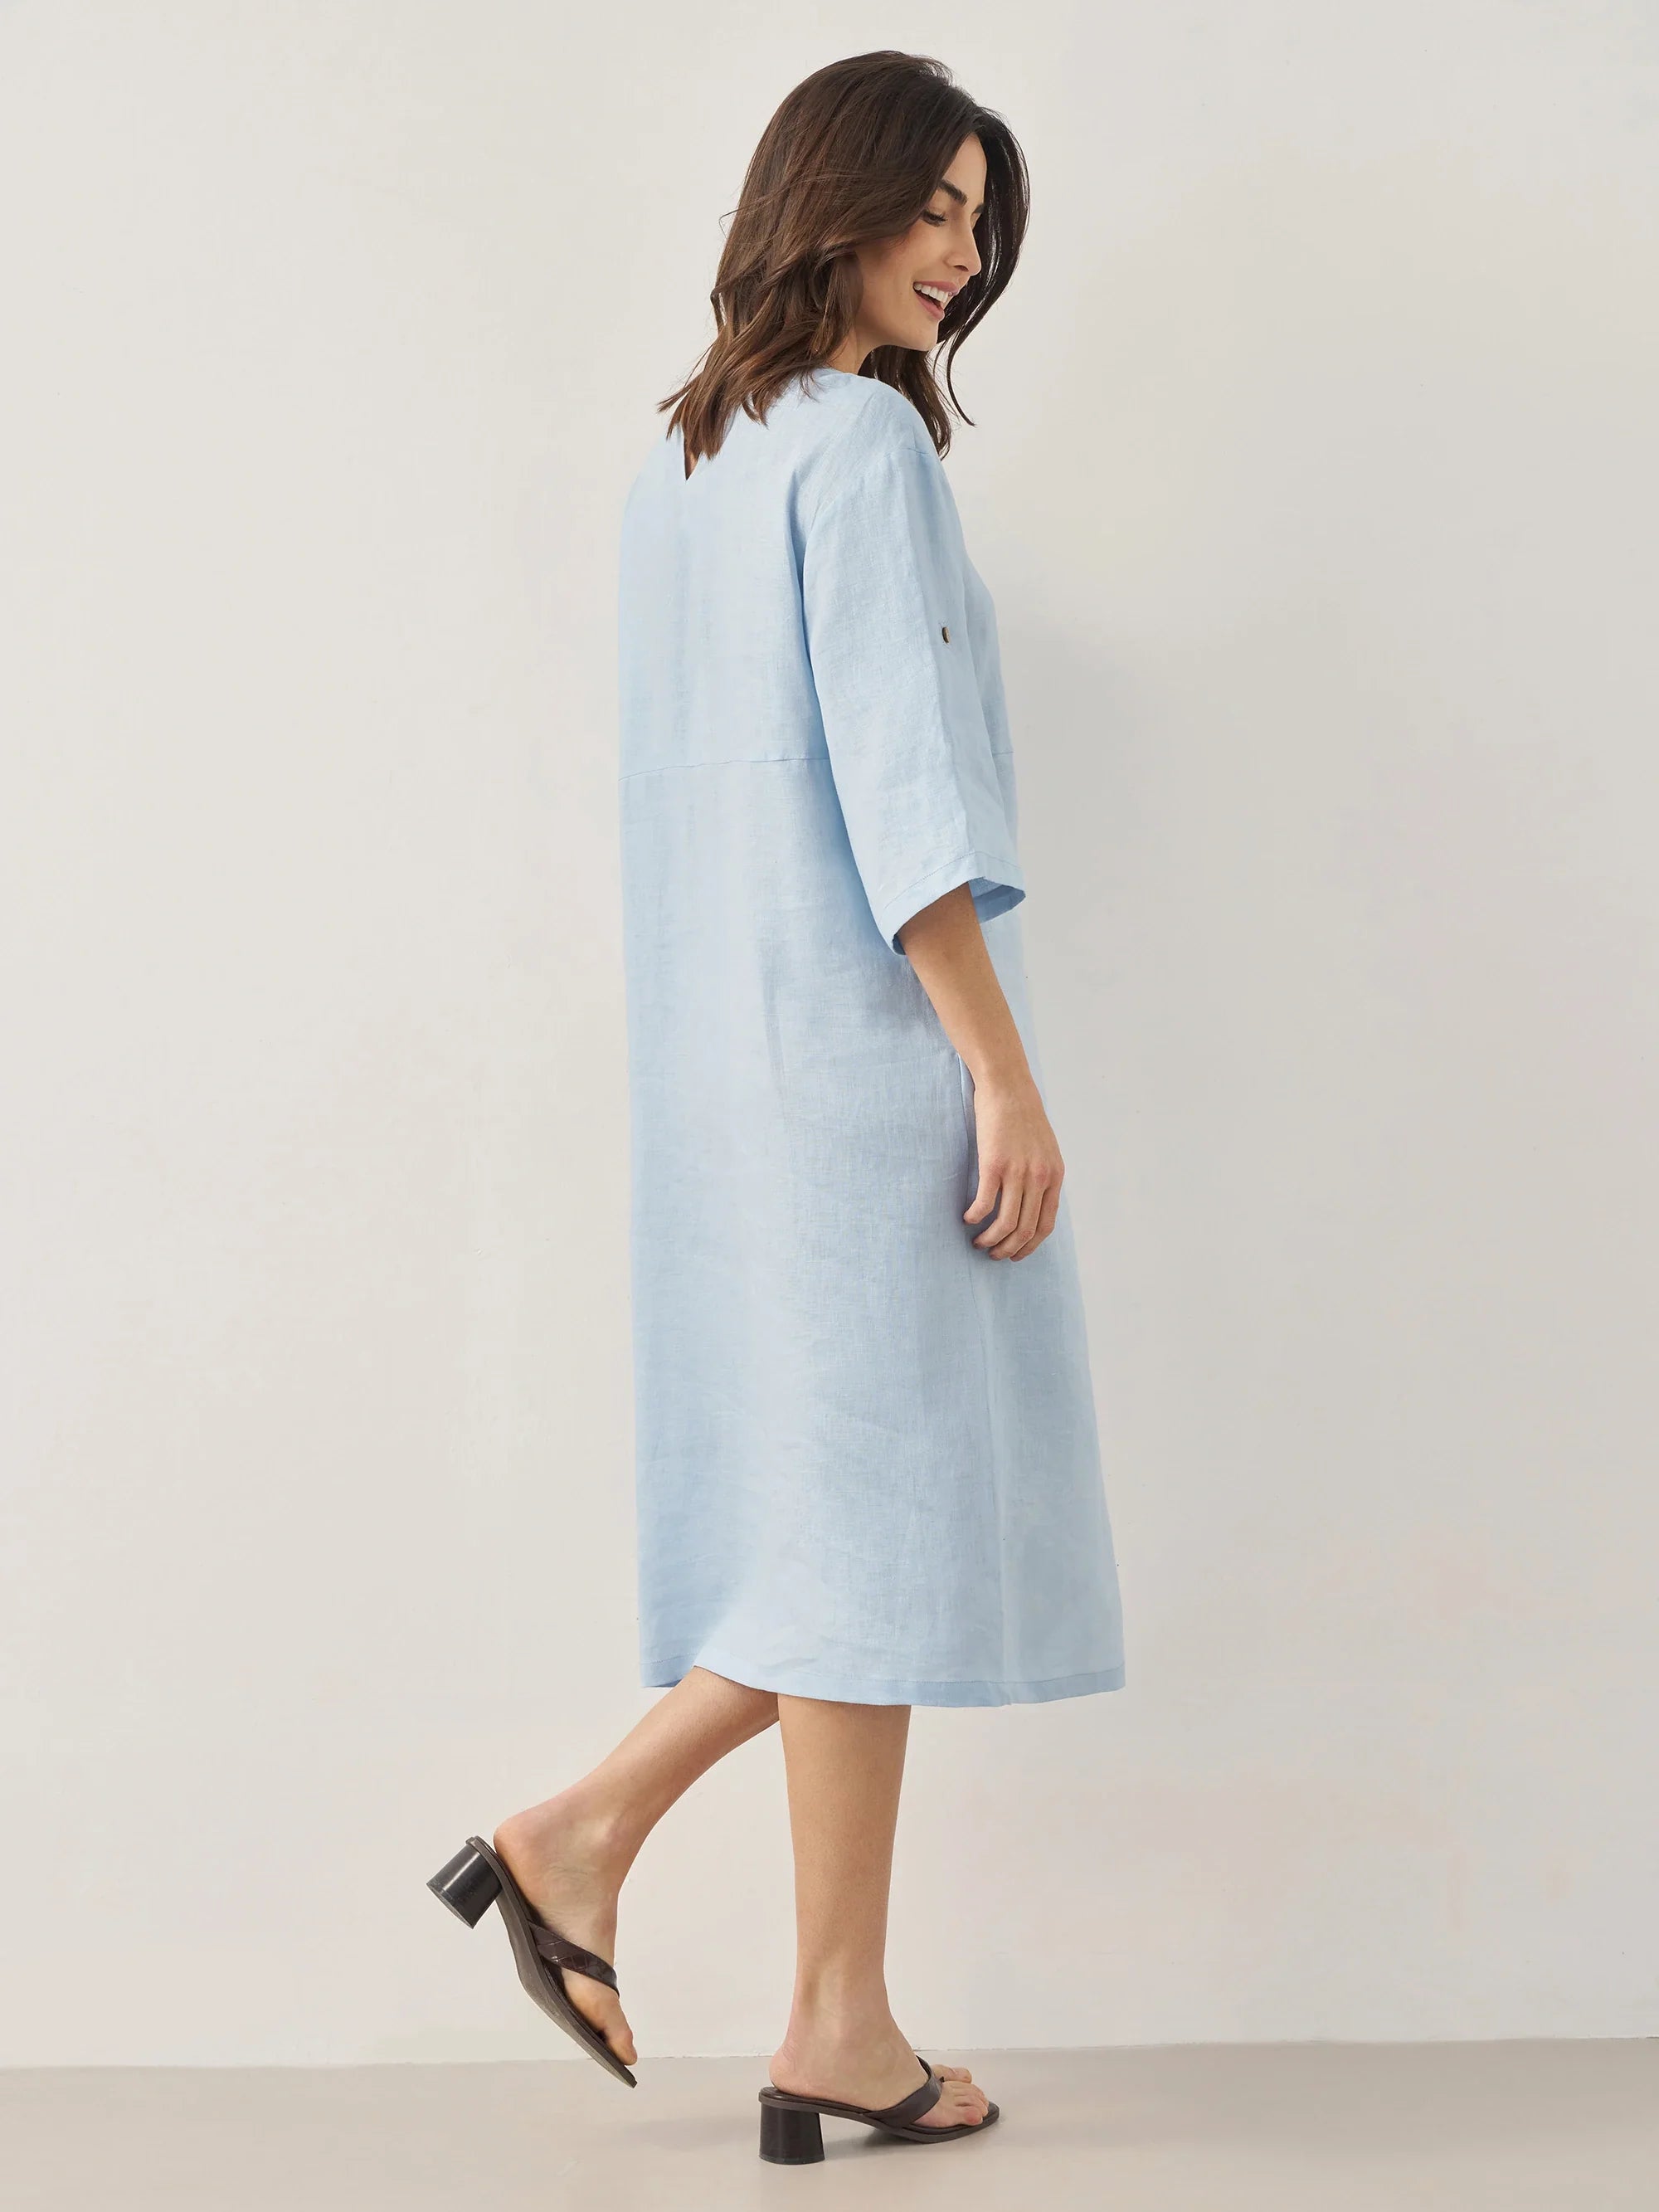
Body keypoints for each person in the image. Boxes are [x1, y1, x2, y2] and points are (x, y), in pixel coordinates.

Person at [429, 49, 1126, 2163]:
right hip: (860, 1063)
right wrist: (997, 1068)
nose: (960, 251)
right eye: (931, 204)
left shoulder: (688, 462)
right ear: (831, 196)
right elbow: (902, 794)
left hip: (724, 1079)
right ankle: (588, 1838)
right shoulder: (861, 450)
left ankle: (826, 2004)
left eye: (980, 220)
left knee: (845, 1532)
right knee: (874, 1536)